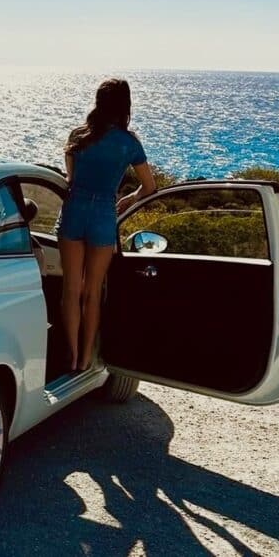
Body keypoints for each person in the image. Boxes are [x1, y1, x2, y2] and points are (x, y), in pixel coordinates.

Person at [57, 78, 156, 372]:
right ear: (125, 105)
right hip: (103, 215)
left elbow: (70, 181)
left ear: (98, 101)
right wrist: (126, 199)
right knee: (93, 291)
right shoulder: (129, 143)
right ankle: (87, 357)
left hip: (74, 211)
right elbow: (149, 187)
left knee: (71, 289)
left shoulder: (78, 136)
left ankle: (71, 356)